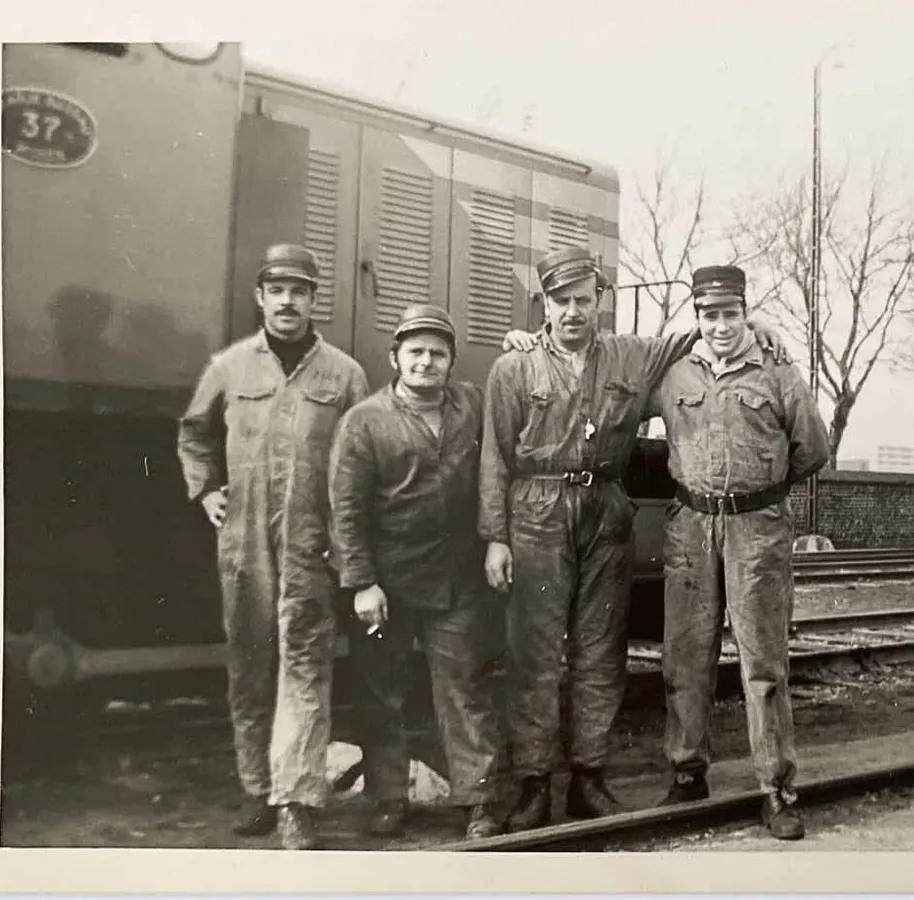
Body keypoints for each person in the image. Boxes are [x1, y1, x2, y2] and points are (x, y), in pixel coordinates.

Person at [480, 246, 789, 832]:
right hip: (537, 511)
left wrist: (758, 322)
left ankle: (588, 779)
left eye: (582, 300)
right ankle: (533, 784)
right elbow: (495, 457)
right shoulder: (514, 368)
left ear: (600, 301)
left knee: (601, 650)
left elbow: (697, 332)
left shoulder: (630, 356)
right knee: (535, 654)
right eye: (559, 301)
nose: (572, 312)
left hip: (604, 509)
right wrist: (495, 536)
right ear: (543, 304)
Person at [177, 243, 370, 851]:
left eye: (300, 290)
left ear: (315, 300)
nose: (288, 301)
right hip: (245, 542)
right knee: (250, 669)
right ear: (261, 297)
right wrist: (205, 488)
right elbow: (194, 432)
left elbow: (359, 459)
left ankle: (296, 801)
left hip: (313, 543)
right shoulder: (230, 367)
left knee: (306, 670)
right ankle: (257, 789)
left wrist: (348, 539)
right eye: (277, 289)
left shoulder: (344, 374)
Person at [650, 265, 829, 840]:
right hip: (690, 527)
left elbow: (811, 449)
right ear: (696, 317)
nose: (721, 325)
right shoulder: (673, 372)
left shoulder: (778, 371)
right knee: (684, 656)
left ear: (746, 312)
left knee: (763, 666)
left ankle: (776, 789)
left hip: (757, 527)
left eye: (731, 313)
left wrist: (758, 493)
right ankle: (686, 772)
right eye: (709, 315)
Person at [328, 303, 503, 842]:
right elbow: (345, 508)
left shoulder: (473, 406)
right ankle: (388, 797)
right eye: (416, 352)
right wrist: (360, 582)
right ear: (395, 358)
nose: (426, 362)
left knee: (465, 689)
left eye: (438, 353)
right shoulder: (365, 420)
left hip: (456, 579)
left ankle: (479, 799)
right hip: (386, 583)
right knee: (382, 693)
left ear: (452, 362)